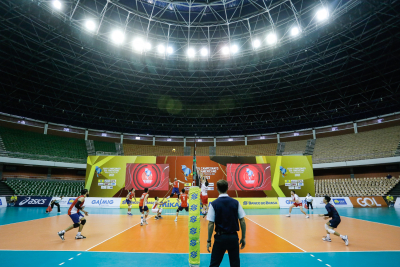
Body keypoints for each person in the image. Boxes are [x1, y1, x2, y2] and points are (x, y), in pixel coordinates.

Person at [206, 180, 246, 267]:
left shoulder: (213, 204)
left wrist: (209, 240)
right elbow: (242, 221)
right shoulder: (236, 203)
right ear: (227, 188)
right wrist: (243, 238)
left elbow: (210, 224)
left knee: (214, 264)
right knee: (235, 265)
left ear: (217, 189)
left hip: (220, 238)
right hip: (233, 238)